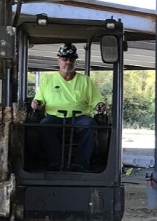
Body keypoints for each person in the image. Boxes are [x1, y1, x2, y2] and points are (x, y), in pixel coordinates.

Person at [31, 43, 107, 171]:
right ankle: (56, 162)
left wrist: (99, 105)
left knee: (90, 125)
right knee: (44, 124)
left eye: (71, 60)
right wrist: (36, 104)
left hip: (79, 118)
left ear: (75, 62)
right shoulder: (48, 80)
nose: (68, 62)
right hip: (55, 117)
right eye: (64, 59)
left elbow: (96, 101)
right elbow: (39, 100)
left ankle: (81, 164)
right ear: (58, 61)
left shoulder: (85, 81)